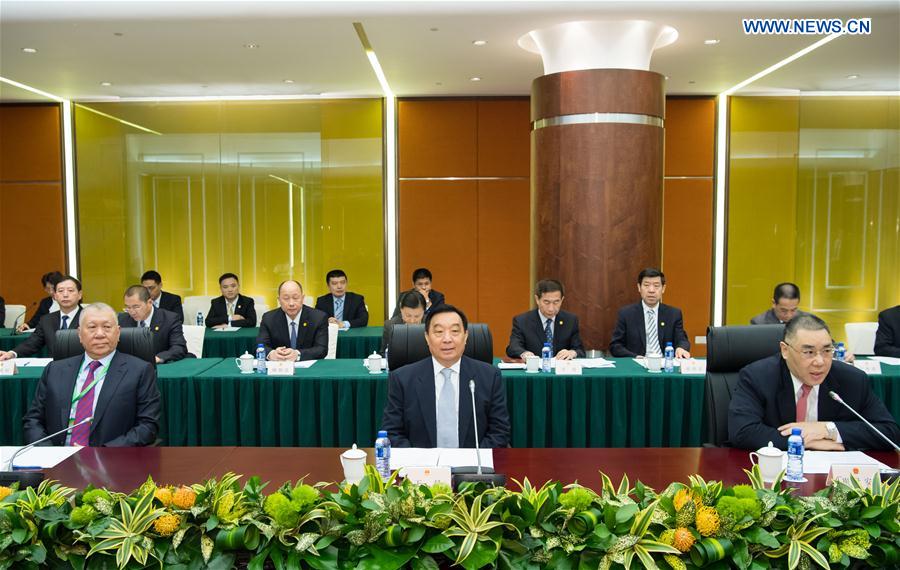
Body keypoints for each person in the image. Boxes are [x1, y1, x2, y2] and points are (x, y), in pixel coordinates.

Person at [728, 314, 900, 451]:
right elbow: (743, 432)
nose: (820, 362)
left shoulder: (852, 379)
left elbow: (889, 432)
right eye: (809, 352)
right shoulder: (757, 377)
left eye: (827, 351)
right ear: (785, 350)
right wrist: (805, 441)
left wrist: (827, 430)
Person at [22, 303, 160, 447]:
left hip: (108, 456)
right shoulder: (55, 370)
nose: (100, 334)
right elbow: (33, 420)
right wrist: (48, 451)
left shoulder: (140, 371)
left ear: (118, 332)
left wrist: (99, 453)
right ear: (80, 334)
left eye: (107, 327)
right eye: (92, 327)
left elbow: (148, 426)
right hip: (57, 455)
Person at [381, 304, 510, 448]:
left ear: (466, 336)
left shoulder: (489, 377)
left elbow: (499, 432)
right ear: (427, 337)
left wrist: (473, 459)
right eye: (439, 332)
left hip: (474, 461)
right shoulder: (402, 379)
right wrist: (420, 460)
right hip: (421, 462)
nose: (447, 339)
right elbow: (392, 432)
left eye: (455, 331)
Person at [609, 268, 691, 358]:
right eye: (646, 285)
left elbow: (682, 339)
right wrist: (635, 356)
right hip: (637, 363)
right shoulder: (626, 314)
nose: (651, 290)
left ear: (663, 289)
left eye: (656, 286)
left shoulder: (673, 314)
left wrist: (681, 348)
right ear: (639, 287)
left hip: (665, 363)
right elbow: (615, 346)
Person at [0, 275, 83, 360]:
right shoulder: (47, 320)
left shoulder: (88, 318)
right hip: (55, 365)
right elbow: (33, 343)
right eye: (60, 291)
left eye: (70, 290)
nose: (65, 295)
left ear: (79, 295)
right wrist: (12, 353)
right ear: (55, 296)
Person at [506, 279, 585, 360]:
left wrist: (572, 353)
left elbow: (580, 350)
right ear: (537, 299)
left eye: (556, 302)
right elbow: (513, 347)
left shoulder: (570, 320)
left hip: (561, 367)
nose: (551, 308)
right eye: (546, 302)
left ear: (562, 300)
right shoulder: (522, 321)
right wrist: (524, 353)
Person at [257, 280, 328, 361]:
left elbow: (321, 349)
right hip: (280, 365)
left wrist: (298, 354)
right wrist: (271, 354)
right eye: (286, 298)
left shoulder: (318, 317)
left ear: (302, 298)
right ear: (279, 300)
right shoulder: (269, 318)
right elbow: (259, 346)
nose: (291, 303)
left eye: (295, 298)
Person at [118, 285, 188, 364]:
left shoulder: (169, 319)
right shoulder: (122, 319)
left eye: (136, 307)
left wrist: (158, 358)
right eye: (128, 307)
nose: (132, 312)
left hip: (158, 366)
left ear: (150, 302)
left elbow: (179, 347)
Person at [381, 290, 426, 355]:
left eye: (417, 316)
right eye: (408, 315)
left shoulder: (431, 324)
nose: (412, 321)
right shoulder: (390, 326)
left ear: (424, 311)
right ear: (401, 309)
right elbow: (384, 353)